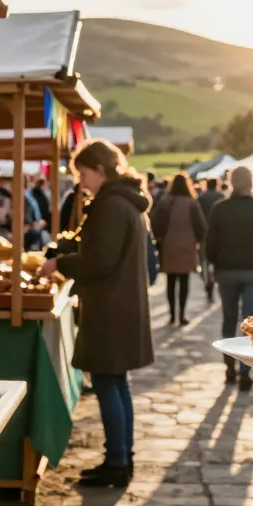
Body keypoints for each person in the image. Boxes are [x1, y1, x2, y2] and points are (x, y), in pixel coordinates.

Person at [39, 140, 154, 488]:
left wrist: (61, 262)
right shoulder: (120, 202)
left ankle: (117, 462)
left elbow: (100, 259)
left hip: (111, 308)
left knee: (109, 384)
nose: (82, 182)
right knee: (116, 384)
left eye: (84, 174)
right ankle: (121, 457)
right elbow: (97, 244)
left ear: (101, 171)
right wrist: (67, 246)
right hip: (120, 305)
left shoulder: (112, 205)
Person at [206, 165, 253, 391]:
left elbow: (211, 243)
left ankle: (229, 366)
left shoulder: (220, 209)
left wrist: (214, 263)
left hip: (227, 270)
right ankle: (245, 371)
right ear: (252, 182)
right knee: (250, 322)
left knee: (228, 318)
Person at [151, 173, 208, 326]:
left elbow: (155, 224)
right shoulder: (191, 203)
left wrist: (160, 239)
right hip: (187, 245)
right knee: (184, 281)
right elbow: (201, 227)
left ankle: (171, 314)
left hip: (169, 245)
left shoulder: (165, 202)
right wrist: (196, 240)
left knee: (170, 281)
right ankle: (182, 314)